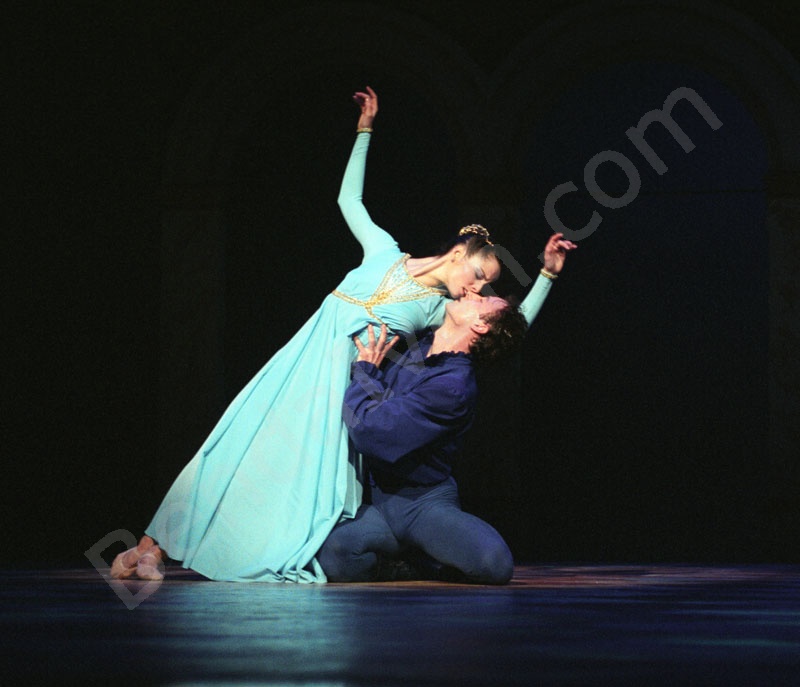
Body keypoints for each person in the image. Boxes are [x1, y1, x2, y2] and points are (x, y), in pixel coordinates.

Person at [111, 86, 575, 583]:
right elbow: (347, 199)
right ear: (460, 255)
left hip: (341, 397)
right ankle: (149, 549)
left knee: (291, 486)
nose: (477, 290)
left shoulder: (436, 311)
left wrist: (546, 276)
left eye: (484, 289)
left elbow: (506, 327)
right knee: (232, 444)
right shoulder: (383, 252)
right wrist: (364, 130)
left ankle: (237, 551)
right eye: (481, 278)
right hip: (297, 366)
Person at [317, 290, 544, 585]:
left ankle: (428, 560)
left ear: (481, 325)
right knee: (334, 556)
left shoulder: (452, 387)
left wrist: (364, 371)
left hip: (423, 504)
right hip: (380, 503)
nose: (473, 292)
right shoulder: (417, 345)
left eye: (483, 300)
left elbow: (371, 432)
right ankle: (408, 565)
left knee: (494, 564)